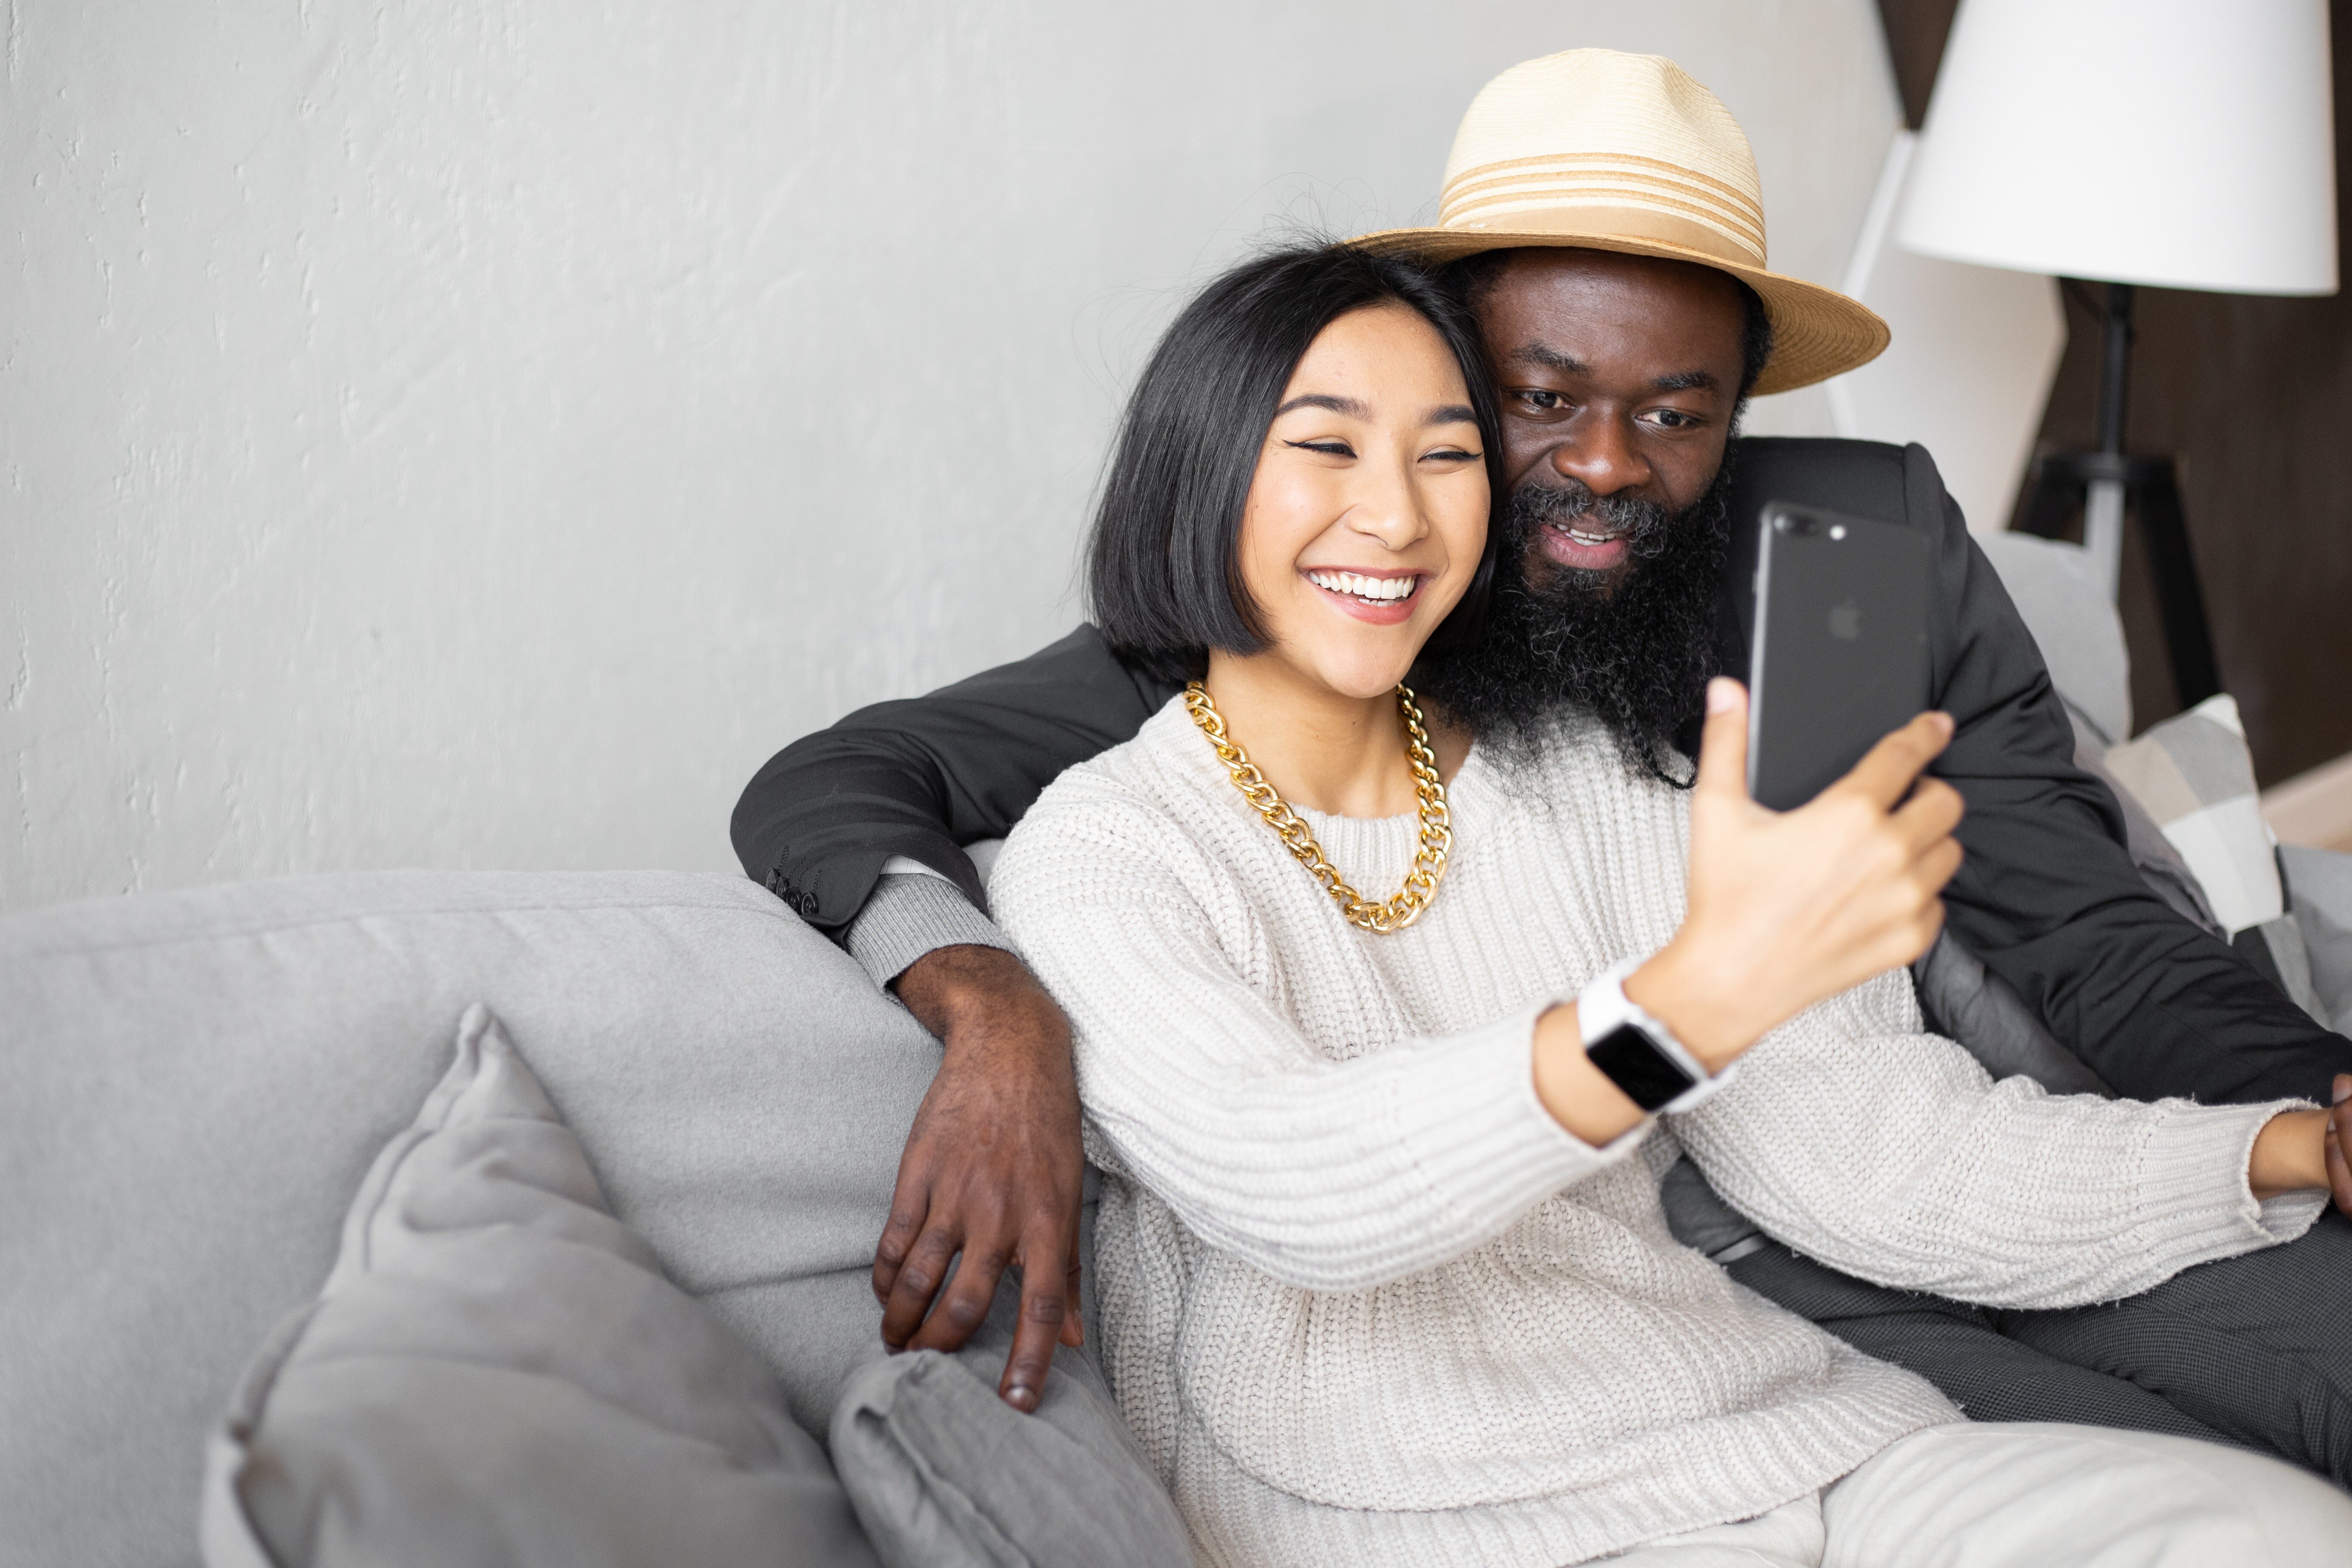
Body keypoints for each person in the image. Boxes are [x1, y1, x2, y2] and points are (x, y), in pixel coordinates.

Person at [735, 49, 2352, 1473]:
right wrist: (996, 1008)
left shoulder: (1861, 540)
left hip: (1984, 1140)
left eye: (1676, 412)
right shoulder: (1336, 601)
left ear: (1737, 409)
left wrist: (2315, 1105)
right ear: (1451, 362)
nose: (1601, 462)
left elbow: (2086, 930)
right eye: (1535, 398)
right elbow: (842, 783)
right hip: (1688, 1278)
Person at [991, 232, 2350, 1566]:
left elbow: (1872, 1159)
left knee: (2277, 1532)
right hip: (1436, 1520)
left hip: (1796, 1446)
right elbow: (1302, 1185)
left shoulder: (1591, 776)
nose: (1397, 516)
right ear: (1202, 474)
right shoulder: (1108, 854)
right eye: (1329, 446)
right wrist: (1682, 1006)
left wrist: (2289, 1146)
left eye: (1447, 454)